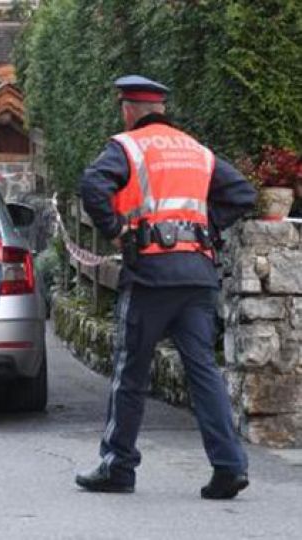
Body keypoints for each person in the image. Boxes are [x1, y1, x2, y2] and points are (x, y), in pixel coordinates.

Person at [75, 75, 256, 499]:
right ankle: (230, 466)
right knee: (204, 372)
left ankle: (118, 466)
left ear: (127, 109)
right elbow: (243, 194)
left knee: (130, 372)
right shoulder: (197, 151)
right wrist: (204, 228)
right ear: (162, 108)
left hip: (151, 276)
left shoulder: (127, 147)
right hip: (198, 274)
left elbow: (92, 185)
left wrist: (118, 229)